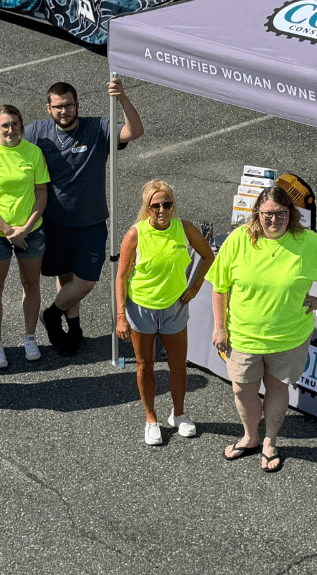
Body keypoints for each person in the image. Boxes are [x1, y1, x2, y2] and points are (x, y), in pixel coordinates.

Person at [208, 186, 317, 472]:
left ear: (291, 214)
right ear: (257, 213)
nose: (274, 220)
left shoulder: (307, 242)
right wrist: (220, 327)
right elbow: (220, 286)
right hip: (243, 335)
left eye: (281, 214)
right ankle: (251, 436)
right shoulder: (238, 240)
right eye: (268, 214)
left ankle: (270, 441)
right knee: (241, 389)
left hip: (289, 336)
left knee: (276, 388)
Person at [25, 78, 144, 355]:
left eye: (68, 105)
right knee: (66, 278)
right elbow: (9, 150)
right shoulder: (37, 133)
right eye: (57, 107)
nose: (63, 111)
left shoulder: (97, 128)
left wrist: (123, 98)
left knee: (86, 280)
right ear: (49, 108)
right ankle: (74, 328)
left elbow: (134, 131)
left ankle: (52, 315)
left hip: (90, 223)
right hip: (54, 224)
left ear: (77, 105)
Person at [115, 180, 215, 446]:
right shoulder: (135, 234)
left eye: (166, 204)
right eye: (155, 205)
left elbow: (208, 256)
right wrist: (121, 316)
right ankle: (151, 419)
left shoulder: (185, 229)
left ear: (173, 205)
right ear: (147, 208)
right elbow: (122, 277)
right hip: (141, 308)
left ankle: (178, 415)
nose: (161, 210)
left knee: (178, 365)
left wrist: (194, 288)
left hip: (174, 308)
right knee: (145, 365)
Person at [0, 105, 49, 367]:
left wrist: (25, 229)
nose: (10, 130)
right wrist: (8, 231)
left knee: (32, 286)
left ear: (21, 125)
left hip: (30, 232)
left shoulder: (33, 153)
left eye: (15, 124)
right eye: (5, 125)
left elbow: (41, 194)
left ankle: (29, 337)